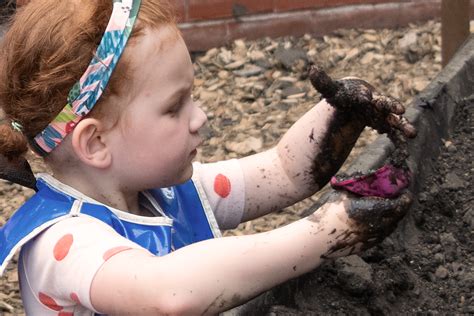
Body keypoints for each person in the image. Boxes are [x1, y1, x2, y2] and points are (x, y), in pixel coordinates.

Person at [0, 0, 415, 314]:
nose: (199, 117)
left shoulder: (170, 193)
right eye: (174, 106)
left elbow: (285, 172)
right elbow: (168, 296)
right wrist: (325, 234)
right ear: (95, 144)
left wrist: (342, 110)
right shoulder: (61, 244)